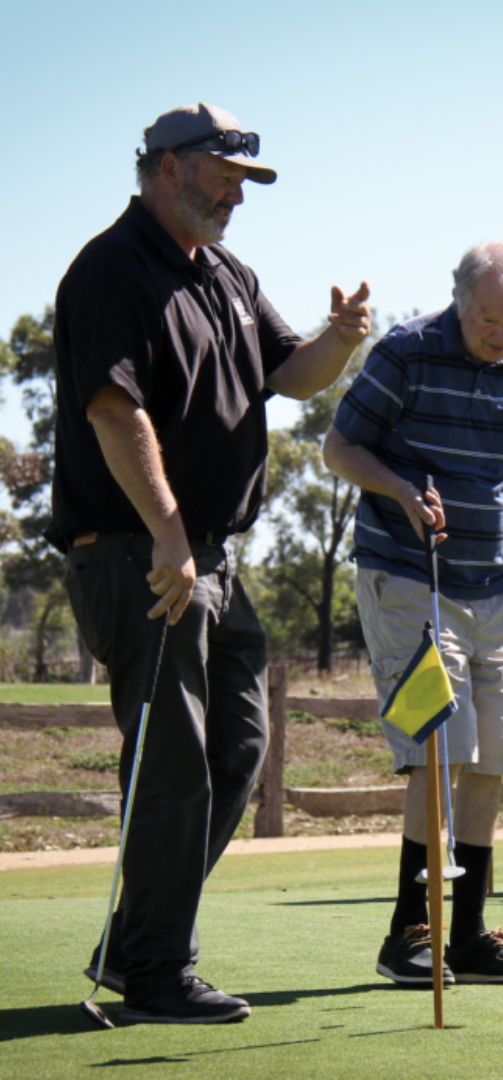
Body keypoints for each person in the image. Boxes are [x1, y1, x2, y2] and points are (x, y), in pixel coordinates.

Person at [50, 102, 372, 1023]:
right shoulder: (110, 269)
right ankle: (155, 971)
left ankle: (134, 944)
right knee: (172, 765)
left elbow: (291, 374)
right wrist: (167, 534)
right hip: (142, 555)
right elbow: (116, 412)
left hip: (211, 560)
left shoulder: (228, 271)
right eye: (224, 176)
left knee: (238, 747)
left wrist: (340, 339)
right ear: (165, 169)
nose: (238, 195)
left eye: (246, 181)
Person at [323, 241, 503, 986]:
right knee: (439, 747)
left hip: (489, 587)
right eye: (488, 320)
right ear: (458, 298)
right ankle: (409, 933)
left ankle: (465, 937)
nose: (502, 335)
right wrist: (404, 491)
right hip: (408, 573)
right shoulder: (405, 350)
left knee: (493, 756)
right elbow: (338, 447)